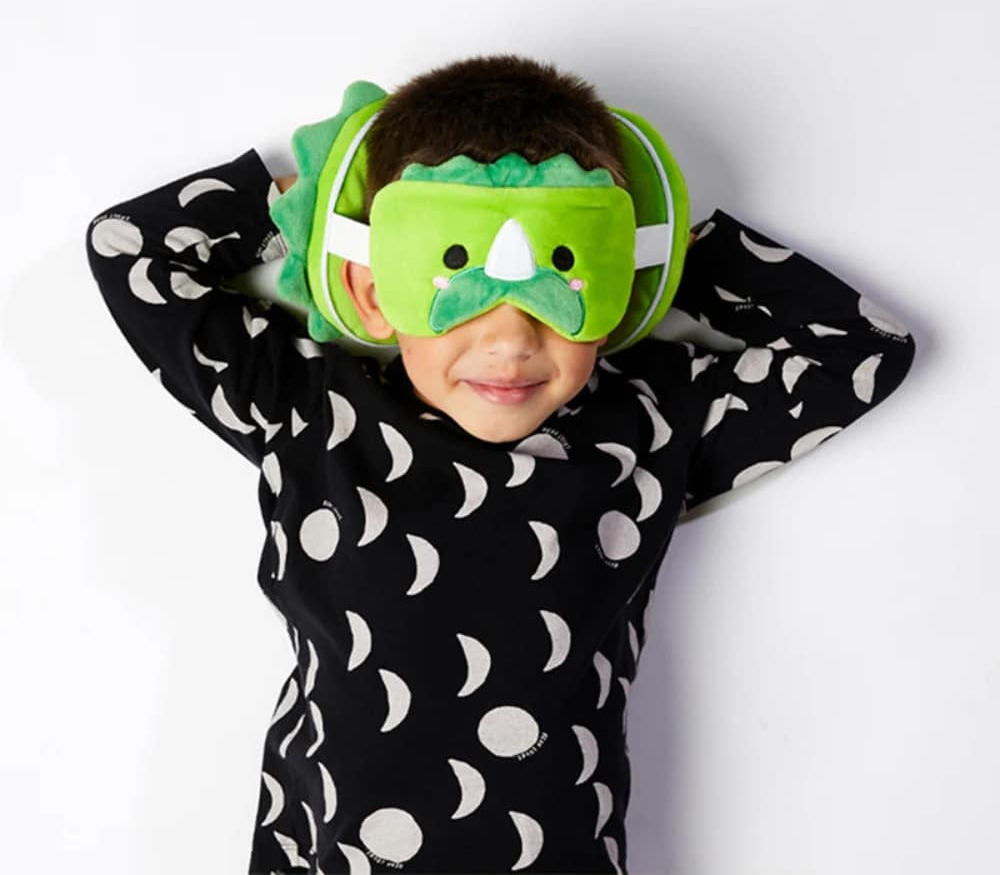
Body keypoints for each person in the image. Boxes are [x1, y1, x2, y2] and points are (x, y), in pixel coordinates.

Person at [84, 54, 916, 875]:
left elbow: (863, 350)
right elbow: (130, 249)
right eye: (455, 278)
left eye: (563, 284)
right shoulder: (309, 409)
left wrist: (650, 251)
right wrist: (319, 205)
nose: (511, 342)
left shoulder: (652, 426)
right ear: (373, 290)